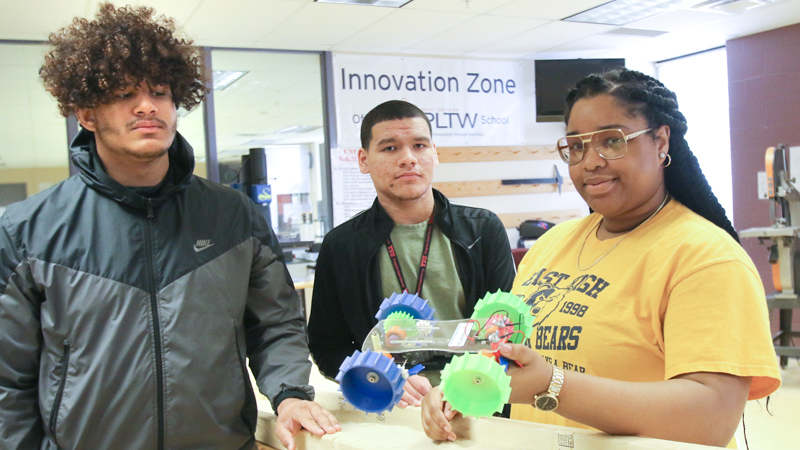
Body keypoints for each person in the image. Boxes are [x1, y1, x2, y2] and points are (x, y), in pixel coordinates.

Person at [0, 4, 339, 450]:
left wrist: (289, 393)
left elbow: (275, 324)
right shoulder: (28, 229)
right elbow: (9, 379)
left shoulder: (233, 215)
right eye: (124, 94)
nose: (147, 107)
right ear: (86, 113)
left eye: (160, 92)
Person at [421, 68, 781, 447]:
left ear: (661, 141)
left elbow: (711, 417)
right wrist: (463, 390)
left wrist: (552, 384)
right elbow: (513, 358)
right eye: (576, 146)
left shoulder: (706, 257)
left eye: (612, 141)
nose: (590, 161)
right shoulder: (550, 245)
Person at [308, 100, 516, 408]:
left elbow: (509, 329)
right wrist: (380, 376)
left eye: (419, 145)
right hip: (389, 403)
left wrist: (463, 384)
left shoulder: (482, 230)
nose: (408, 159)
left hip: (476, 397)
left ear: (435, 153)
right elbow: (327, 346)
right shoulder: (342, 246)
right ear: (364, 160)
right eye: (390, 148)